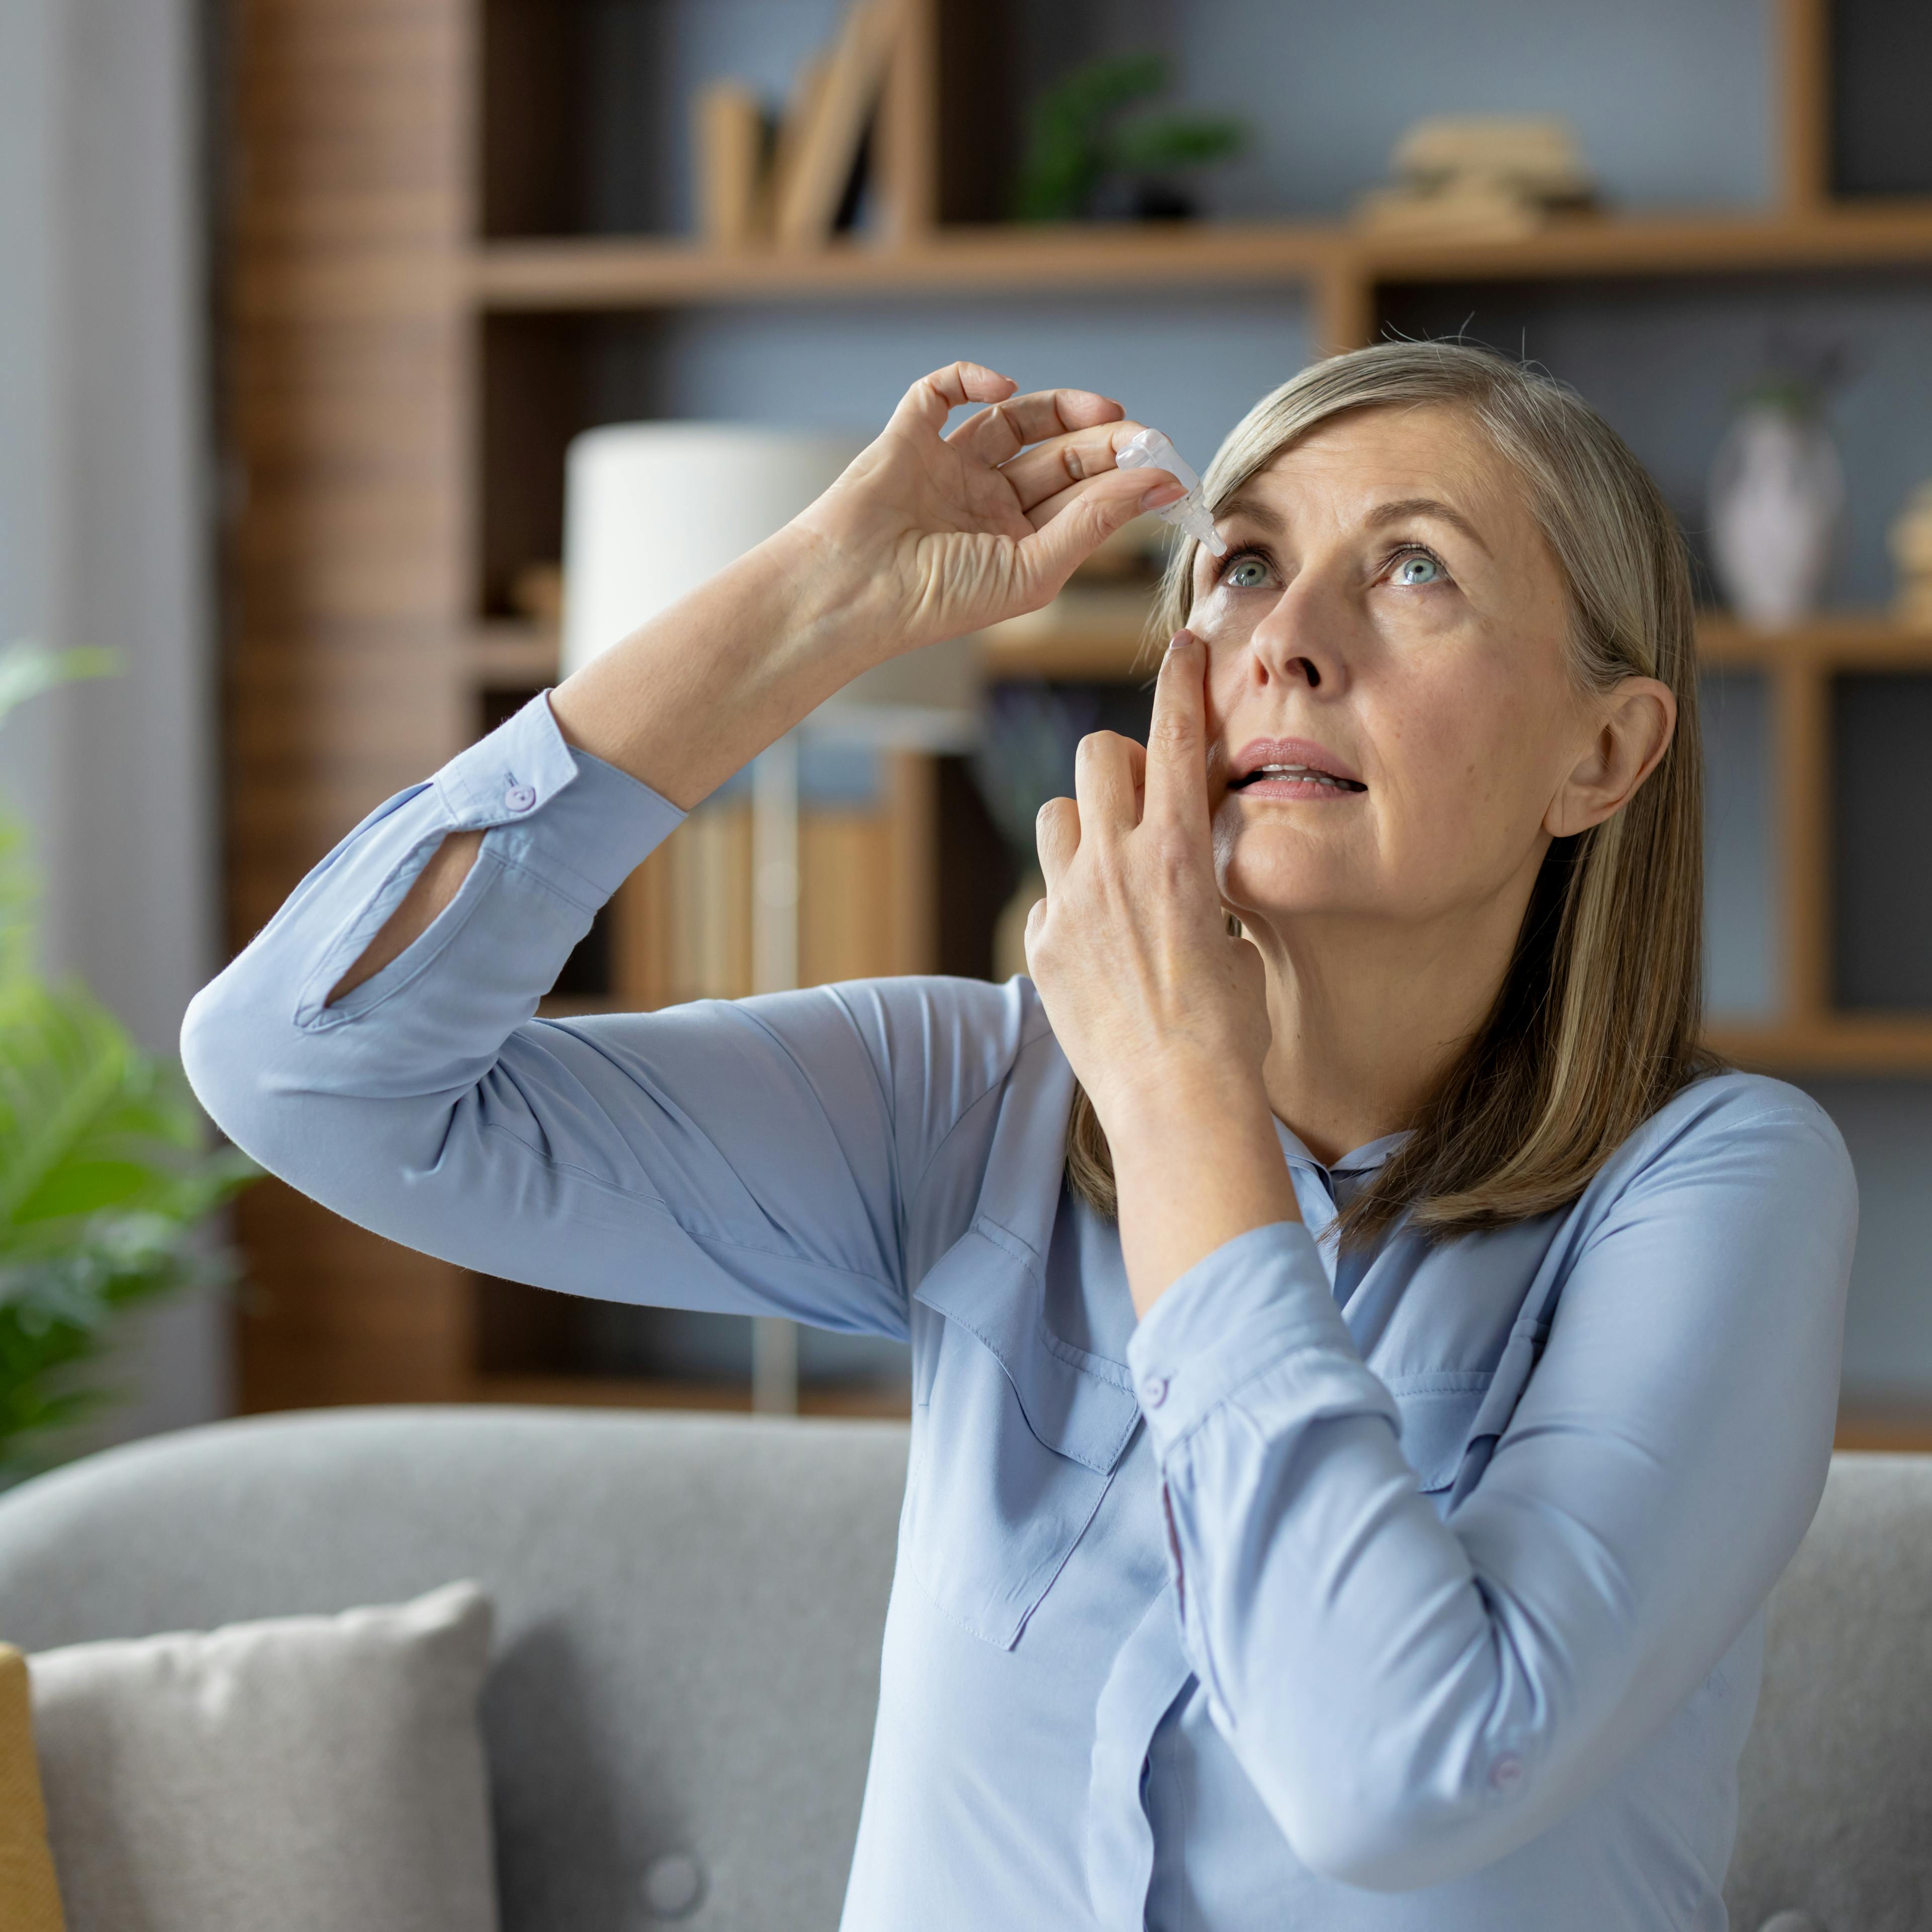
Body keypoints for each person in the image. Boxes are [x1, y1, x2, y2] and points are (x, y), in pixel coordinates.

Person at [183, 341, 1857, 1930]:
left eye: (1415, 569)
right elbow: (309, 1070)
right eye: (1247, 564)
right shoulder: (978, 1097)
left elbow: (1395, 1777)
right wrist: (814, 603)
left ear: (1604, 751)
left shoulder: (1717, 1193)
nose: (1289, 642)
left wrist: (1181, 1087)